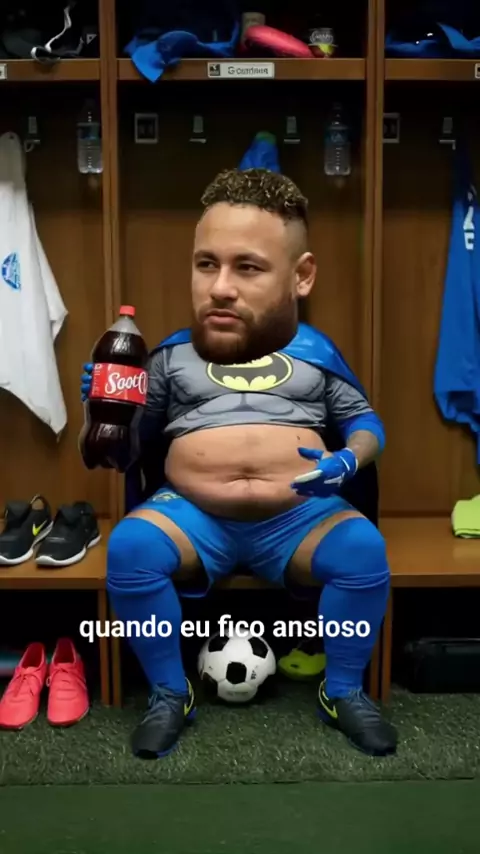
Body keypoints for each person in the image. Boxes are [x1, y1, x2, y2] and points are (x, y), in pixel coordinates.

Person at [96, 167, 397, 760]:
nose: (221, 287)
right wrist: (105, 411)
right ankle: (168, 691)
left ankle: (343, 691)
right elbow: (125, 451)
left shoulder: (317, 353)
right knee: (130, 549)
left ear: (300, 276)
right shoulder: (171, 357)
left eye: (248, 268)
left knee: (364, 551)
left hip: (299, 516)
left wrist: (347, 460)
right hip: (192, 516)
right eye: (206, 264)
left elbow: (367, 425)